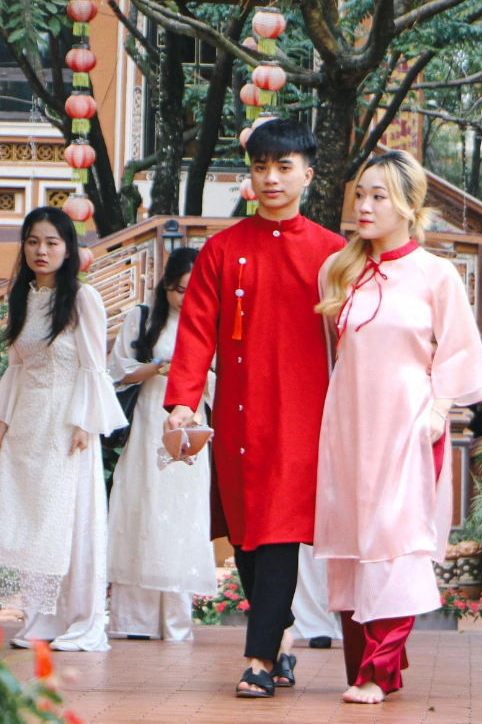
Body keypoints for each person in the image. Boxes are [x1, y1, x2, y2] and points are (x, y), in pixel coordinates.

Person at [164, 118, 346, 698]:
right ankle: (284, 640)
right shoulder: (222, 250)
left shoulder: (332, 253)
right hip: (240, 415)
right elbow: (195, 333)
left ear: (307, 175)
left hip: (303, 417)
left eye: (283, 167)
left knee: (279, 533)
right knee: (245, 537)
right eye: (261, 166)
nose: (270, 178)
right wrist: (182, 406)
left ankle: (259, 661)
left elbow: (357, 335)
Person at [313, 150, 482, 704]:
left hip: (406, 425)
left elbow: (460, 352)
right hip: (348, 425)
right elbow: (330, 353)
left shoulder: (437, 275)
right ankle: (369, 666)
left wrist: (438, 411)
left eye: (378, 196)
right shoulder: (339, 269)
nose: (363, 206)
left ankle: (376, 671)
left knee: (396, 540)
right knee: (351, 542)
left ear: (410, 205)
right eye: (360, 194)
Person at [0, 206, 126, 652]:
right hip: (25, 422)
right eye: (34, 242)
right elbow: (17, 367)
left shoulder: (83, 299)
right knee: (24, 515)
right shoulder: (19, 297)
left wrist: (84, 424)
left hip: (67, 423)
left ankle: (80, 621)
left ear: (69, 249)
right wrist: (2, 417)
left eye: (52, 243)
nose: (42, 251)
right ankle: (40, 618)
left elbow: (93, 367)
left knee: (65, 519)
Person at [107, 247, 217, 641]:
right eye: (178, 290)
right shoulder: (142, 318)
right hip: (150, 418)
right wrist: (156, 369)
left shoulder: (209, 321)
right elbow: (118, 371)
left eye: (192, 289)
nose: (185, 298)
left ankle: (175, 620)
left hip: (190, 427)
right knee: (141, 506)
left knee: (180, 512)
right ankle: (133, 620)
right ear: (166, 287)